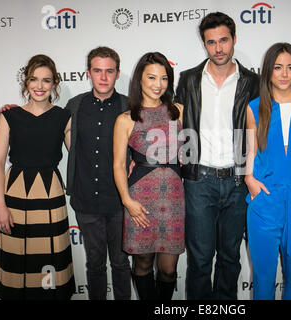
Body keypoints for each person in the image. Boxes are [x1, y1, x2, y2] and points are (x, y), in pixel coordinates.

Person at [174, 12, 259, 300]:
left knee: (229, 259)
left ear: (234, 39)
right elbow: (174, 124)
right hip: (199, 181)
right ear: (204, 44)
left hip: (238, 181)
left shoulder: (253, 82)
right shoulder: (188, 79)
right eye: (211, 42)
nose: (218, 48)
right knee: (199, 261)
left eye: (224, 40)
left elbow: (264, 128)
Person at [0, 54, 75, 299]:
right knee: (18, 264)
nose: (39, 86)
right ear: (26, 82)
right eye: (34, 79)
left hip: (51, 196)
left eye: (46, 80)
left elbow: (81, 158)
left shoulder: (63, 117)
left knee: (50, 260)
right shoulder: (9, 117)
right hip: (15, 196)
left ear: (55, 83)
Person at [245, 43, 291, 300]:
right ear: (268, 72)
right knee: (263, 277)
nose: (285, 74)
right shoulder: (254, 107)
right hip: (266, 197)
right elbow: (248, 151)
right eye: (278, 68)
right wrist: (249, 181)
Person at [113, 52, 184, 300]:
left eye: (164, 78)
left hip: (174, 199)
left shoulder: (178, 111)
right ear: (139, 80)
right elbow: (119, 164)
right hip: (139, 200)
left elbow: (190, 152)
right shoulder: (126, 119)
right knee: (142, 263)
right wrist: (127, 201)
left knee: (168, 269)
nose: (158, 84)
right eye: (152, 77)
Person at [65, 46, 132, 300]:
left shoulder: (129, 105)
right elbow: (45, 120)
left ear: (117, 74)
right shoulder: (75, 105)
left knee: (121, 263)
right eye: (97, 71)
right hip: (86, 201)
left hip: (120, 201)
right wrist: (13, 111)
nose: (103, 77)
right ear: (88, 73)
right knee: (94, 264)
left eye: (109, 71)